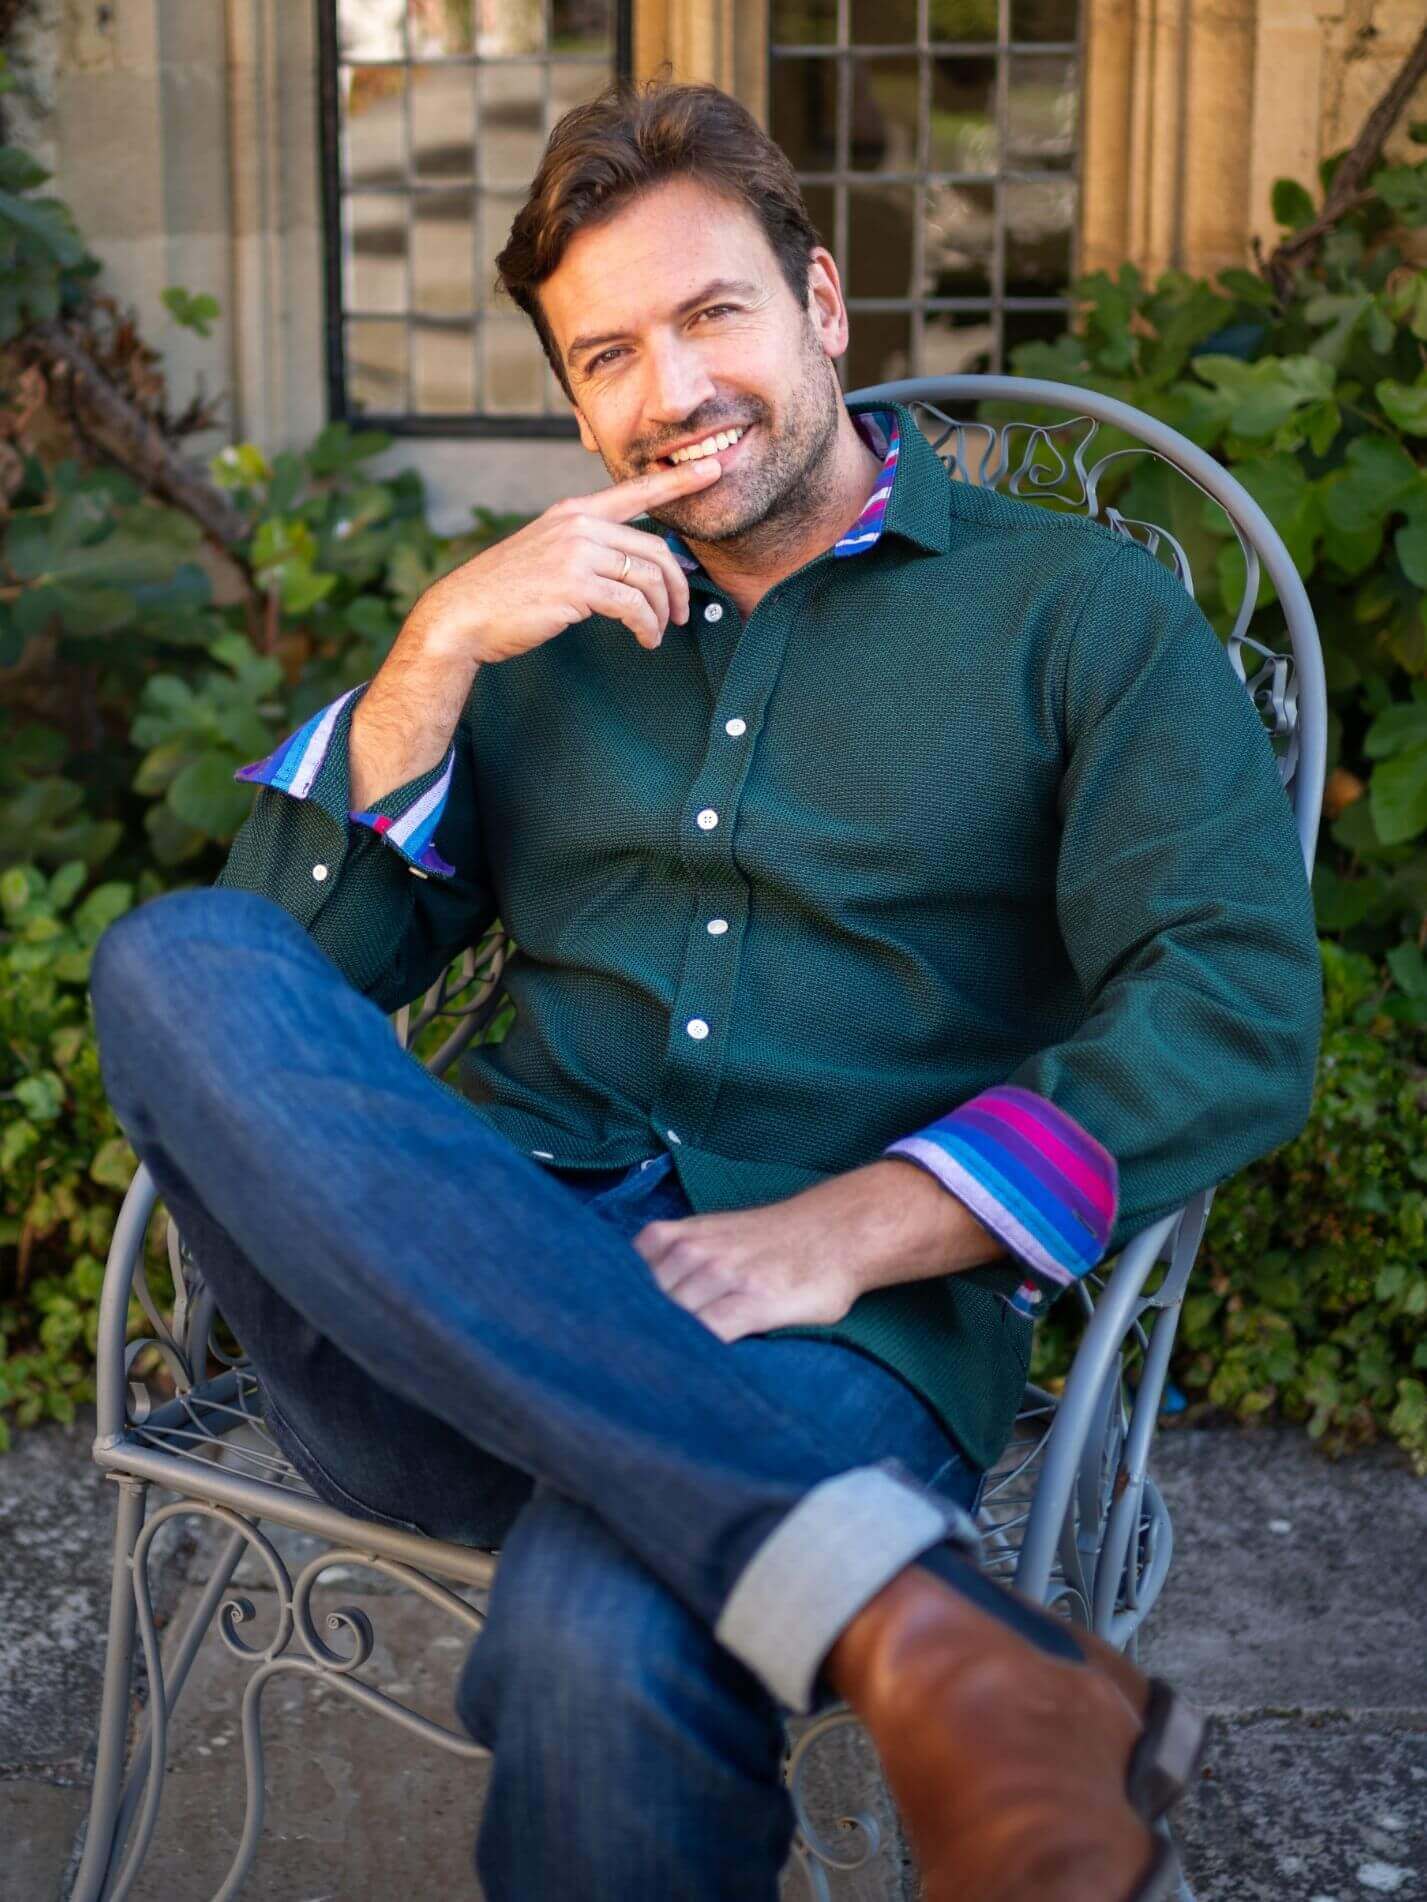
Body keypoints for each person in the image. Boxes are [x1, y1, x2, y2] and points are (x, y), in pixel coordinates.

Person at [87, 77, 1323, 1902]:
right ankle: (917, 1619)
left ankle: (867, 1609)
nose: (670, 393)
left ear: (821, 307)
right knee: (176, 956)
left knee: (608, 1629)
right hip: (439, 1322)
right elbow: (289, 983)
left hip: (835, 1337)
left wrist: (857, 1226)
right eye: (608, 356)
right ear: (577, 398)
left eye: (712, 315)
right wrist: (429, 658)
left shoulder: (1079, 617)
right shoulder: (539, 627)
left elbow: (1230, 1001)